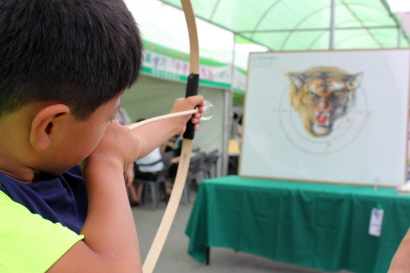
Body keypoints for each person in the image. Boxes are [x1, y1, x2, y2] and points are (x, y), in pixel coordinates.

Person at [0, 1, 205, 272]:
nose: (111, 129)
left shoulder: (45, 155)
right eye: (110, 118)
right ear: (49, 127)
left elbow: (130, 142)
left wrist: (177, 122)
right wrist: (108, 161)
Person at [127, 119, 165, 206]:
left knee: (127, 174)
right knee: (137, 171)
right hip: (160, 171)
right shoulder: (155, 137)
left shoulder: (136, 140)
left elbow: (131, 158)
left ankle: (134, 198)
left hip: (148, 172)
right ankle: (137, 197)